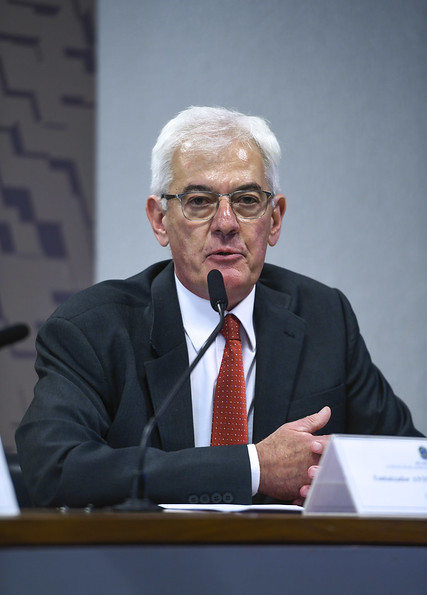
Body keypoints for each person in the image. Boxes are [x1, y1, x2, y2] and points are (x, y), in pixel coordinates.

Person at [15, 106, 422, 508]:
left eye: (246, 200)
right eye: (199, 201)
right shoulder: (93, 329)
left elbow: (412, 469)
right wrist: (253, 467)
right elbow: (54, 469)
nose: (226, 223)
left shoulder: (324, 318)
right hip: (152, 552)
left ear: (274, 219)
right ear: (159, 220)